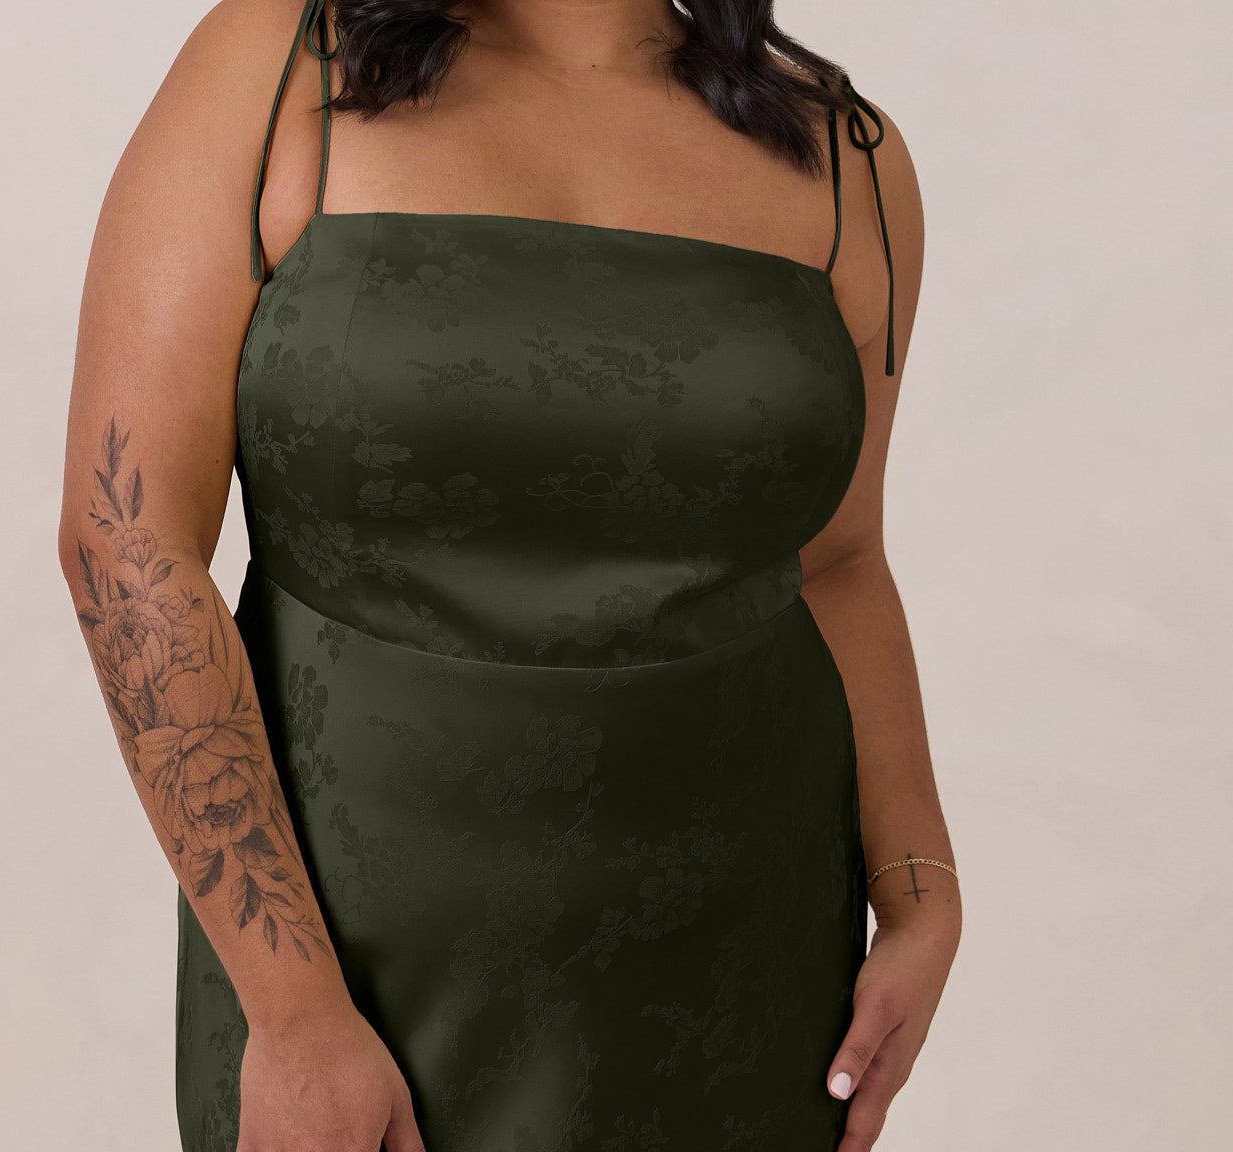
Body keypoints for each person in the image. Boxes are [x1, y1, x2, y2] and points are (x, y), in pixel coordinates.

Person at [57, 0, 960, 1148]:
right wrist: (292, 1013)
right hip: (355, 995)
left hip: (747, 984)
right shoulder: (278, 63)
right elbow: (124, 538)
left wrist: (921, 890)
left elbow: (838, 561)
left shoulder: (844, 158)